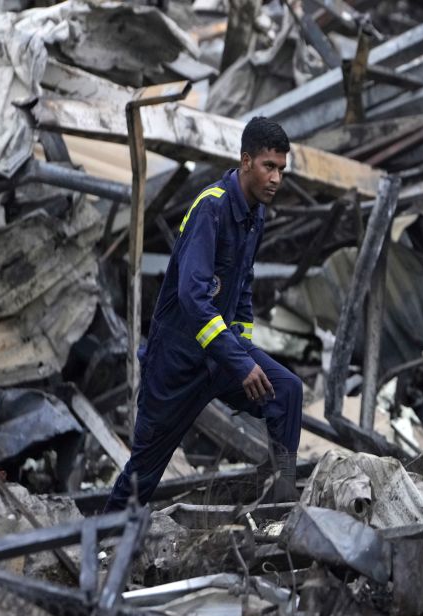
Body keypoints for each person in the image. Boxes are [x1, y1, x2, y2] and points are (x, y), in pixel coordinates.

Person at [104, 117, 302, 512]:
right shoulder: (210, 208)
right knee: (142, 476)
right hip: (176, 365)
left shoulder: (256, 214)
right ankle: (105, 538)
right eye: (269, 166)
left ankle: (279, 508)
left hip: (220, 358)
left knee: (287, 392)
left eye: (281, 169)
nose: (276, 178)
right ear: (245, 161)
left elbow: (242, 285)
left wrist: (241, 349)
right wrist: (239, 361)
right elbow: (192, 298)